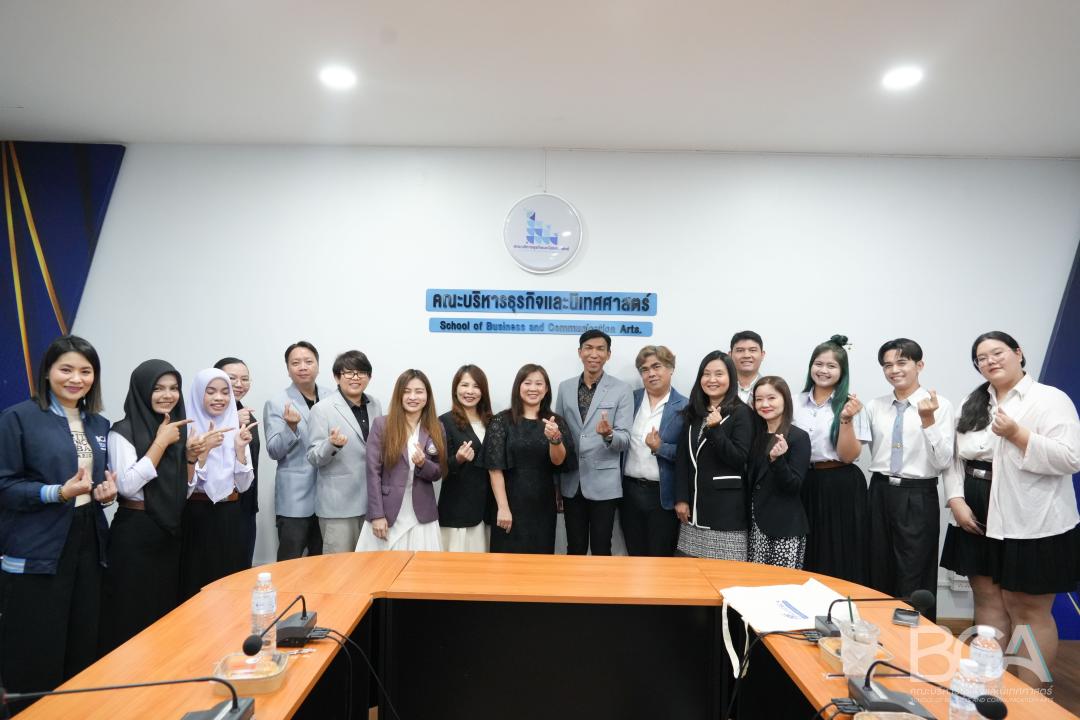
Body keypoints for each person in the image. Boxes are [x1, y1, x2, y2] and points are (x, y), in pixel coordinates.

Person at [940, 331, 1080, 683]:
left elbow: (1071, 458)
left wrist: (1019, 434)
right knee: (987, 601)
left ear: (1018, 353)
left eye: (997, 353)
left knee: (1027, 609)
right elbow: (954, 459)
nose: (990, 361)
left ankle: (1030, 698)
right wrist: (956, 499)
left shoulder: (1050, 399)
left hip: (1033, 519)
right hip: (975, 514)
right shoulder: (973, 402)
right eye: (981, 358)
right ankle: (989, 687)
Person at [0, 336, 118, 703]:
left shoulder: (98, 423)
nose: (76, 379)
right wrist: (57, 492)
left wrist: (103, 493)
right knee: (35, 650)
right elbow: (5, 486)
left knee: (82, 641)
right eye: (66, 369)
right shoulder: (18, 418)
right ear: (47, 371)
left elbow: (88, 483)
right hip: (38, 546)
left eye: (86, 371)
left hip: (88, 543)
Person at [100, 360, 194, 653]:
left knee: (163, 614)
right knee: (131, 615)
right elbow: (127, 486)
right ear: (141, 391)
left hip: (168, 531)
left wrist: (192, 459)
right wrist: (160, 444)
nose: (167, 395)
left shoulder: (175, 430)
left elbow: (182, 491)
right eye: (158, 388)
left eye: (173, 388)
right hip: (135, 532)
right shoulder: (122, 431)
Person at [865, 338, 955, 621]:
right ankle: (877, 630)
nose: (894, 370)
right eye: (887, 365)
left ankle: (914, 637)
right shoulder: (875, 406)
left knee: (914, 570)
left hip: (918, 494)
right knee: (876, 565)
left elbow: (943, 461)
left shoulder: (941, 405)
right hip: (879, 490)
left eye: (901, 362)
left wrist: (928, 420)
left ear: (920, 365)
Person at [791, 335, 872, 584]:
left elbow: (849, 455)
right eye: (818, 364)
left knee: (839, 551)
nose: (823, 370)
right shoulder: (794, 402)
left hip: (840, 484)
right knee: (807, 550)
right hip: (803, 482)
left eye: (831, 366)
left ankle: (839, 604)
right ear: (810, 366)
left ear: (842, 371)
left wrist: (846, 419)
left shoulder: (852, 405)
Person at [179, 368, 257, 599]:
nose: (219, 398)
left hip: (231, 514)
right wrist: (202, 454)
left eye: (225, 392)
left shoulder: (236, 427)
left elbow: (243, 486)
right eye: (211, 391)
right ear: (198, 393)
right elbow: (184, 489)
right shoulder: (185, 430)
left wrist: (240, 450)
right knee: (197, 585)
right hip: (196, 516)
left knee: (231, 585)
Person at [554, 330, 633, 556]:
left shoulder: (622, 389)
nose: (594, 354)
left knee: (601, 549)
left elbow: (625, 440)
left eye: (600, 349)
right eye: (588, 348)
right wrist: (557, 485)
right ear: (580, 352)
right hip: (571, 482)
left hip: (604, 485)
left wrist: (608, 435)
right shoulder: (565, 387)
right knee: (574, 548)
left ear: (608, 354)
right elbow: (559, 437)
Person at [483, 364, 576, 554]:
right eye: (527, 383)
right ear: (518, 386)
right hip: (509, 503)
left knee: (540, 563)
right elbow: (494, 469)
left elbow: (558, 462)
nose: (533, 388)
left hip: (543, 504)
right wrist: (503, 508)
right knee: (505, 562)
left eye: (539, 384)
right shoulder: (501, 421)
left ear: (546, 389)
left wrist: (555, 439)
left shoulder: (555, 422)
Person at [673, 350, 753, 559]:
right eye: (706, 374)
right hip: (693, 515)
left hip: (725, 515)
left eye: (719, 374)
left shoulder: (741, 412)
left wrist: (716, 430)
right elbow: (682, 459)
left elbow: (739, 459)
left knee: (725, 577)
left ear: (731, 378)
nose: (712, 379)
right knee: (688, 574)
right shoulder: (694, 412)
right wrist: (681, 498)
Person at [357, 370, 446, 551]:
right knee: (382, 566)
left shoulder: (436, 427)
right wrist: (377, 515)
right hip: (387, 513)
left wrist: (423, 464)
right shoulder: (382, 425)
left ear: (427, 396)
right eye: (406, 391)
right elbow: (373, 473)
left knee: (421, 566)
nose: (413, 397)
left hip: (422, 514)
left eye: (419, 391)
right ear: (399, 395)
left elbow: (438, 472)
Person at [306, 351, 382, 554]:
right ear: (337, 377)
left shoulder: (375, 404)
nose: (355, 377)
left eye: (361, 372)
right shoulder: (322, 409)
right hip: (338, 506)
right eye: (348, 372)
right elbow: (313, 457)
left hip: (372, 504)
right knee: (339, 567)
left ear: (369, 376)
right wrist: (331, 444)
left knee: (370, 564)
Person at [263, 341, 332, 560]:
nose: (303, 367)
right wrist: (290, 428)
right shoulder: (276, 402)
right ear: (288, 369)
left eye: (308, 361)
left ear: (318, 366)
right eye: (296, 363)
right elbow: (274, 451)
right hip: (294, 499)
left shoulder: (333, 397)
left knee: (324, 562)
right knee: (289, 561)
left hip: (329, 496)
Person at [621, 345, 687, 557]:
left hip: (662, 495)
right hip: (629, 492)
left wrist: (660, 448)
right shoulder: (630, 400)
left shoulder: (685, 407)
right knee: (634, 555)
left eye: (656, 366)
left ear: (671, 368)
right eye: (644, 369)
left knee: (660, 558)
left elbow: (688, 455)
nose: (651, 373)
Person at [748, 376, 810, 568]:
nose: (765, 404)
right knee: (754, 581)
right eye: (759, 399)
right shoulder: (755, 436)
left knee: (782, 584)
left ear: (785, 399)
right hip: (755, 525)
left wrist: (777, 460)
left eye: (771, 398)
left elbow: (794, 486)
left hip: (784, 527)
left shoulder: (798, 437)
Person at [438, 365, 495, 552]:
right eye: (464, 385)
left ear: (483, 391)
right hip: (458, 511)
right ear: (455, 389)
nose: (470, 391)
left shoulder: (494, 422)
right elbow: (438, 469)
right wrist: (458, 459)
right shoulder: (444, 422)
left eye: (476, 386)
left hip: (488, 510)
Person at [215, 357, 259, 566]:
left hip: (245, 503)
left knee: (242, 566)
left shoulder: (247, 415)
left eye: (245, 379)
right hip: (216, 507)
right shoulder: (203, 415)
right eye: (232, 378)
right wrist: (231, 419)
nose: (239, 384)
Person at [730, 330, 766, 405]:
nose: (746, 355)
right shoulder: (721, 388)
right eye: (740, 350)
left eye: (752, 350)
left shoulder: (772, 389)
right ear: (730, 355)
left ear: (762, 355)